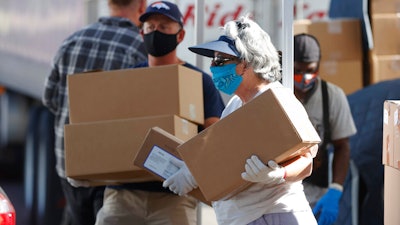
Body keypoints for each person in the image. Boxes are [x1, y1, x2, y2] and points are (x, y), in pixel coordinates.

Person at [163, 16, 319, 225]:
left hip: (276, 214)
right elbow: (223, 153)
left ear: (245, 63)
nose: (213, 67)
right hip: (243, 218)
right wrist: (191, 174)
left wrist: (278, 174)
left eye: (220, 60)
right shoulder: (235, 105)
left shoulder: (278, 100)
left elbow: (306, 160)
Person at [95, 1, 225, 225]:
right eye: (150, 27)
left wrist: (192, 172)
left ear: (180, 35)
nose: (156, 33)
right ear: (141, 32)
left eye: (164, 27)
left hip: (174, 198)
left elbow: (215, 135)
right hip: (123, 195)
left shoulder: (198, 82)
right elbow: (107, 131)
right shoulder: (126, 79)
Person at [42, 1, 148, 224]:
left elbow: (49, 98)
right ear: (142, 5)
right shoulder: (139, 48)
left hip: (71, 164)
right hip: (112, 168)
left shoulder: (72, 42)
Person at [293, 33, 357, 225]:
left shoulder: (333, 97)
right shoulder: (276, 93)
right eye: (297, 71)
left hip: (316, 193)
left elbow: (342, 146)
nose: (304, 78)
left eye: (310, 70)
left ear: (319, 66)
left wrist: (335, 190)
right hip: (280, 192)